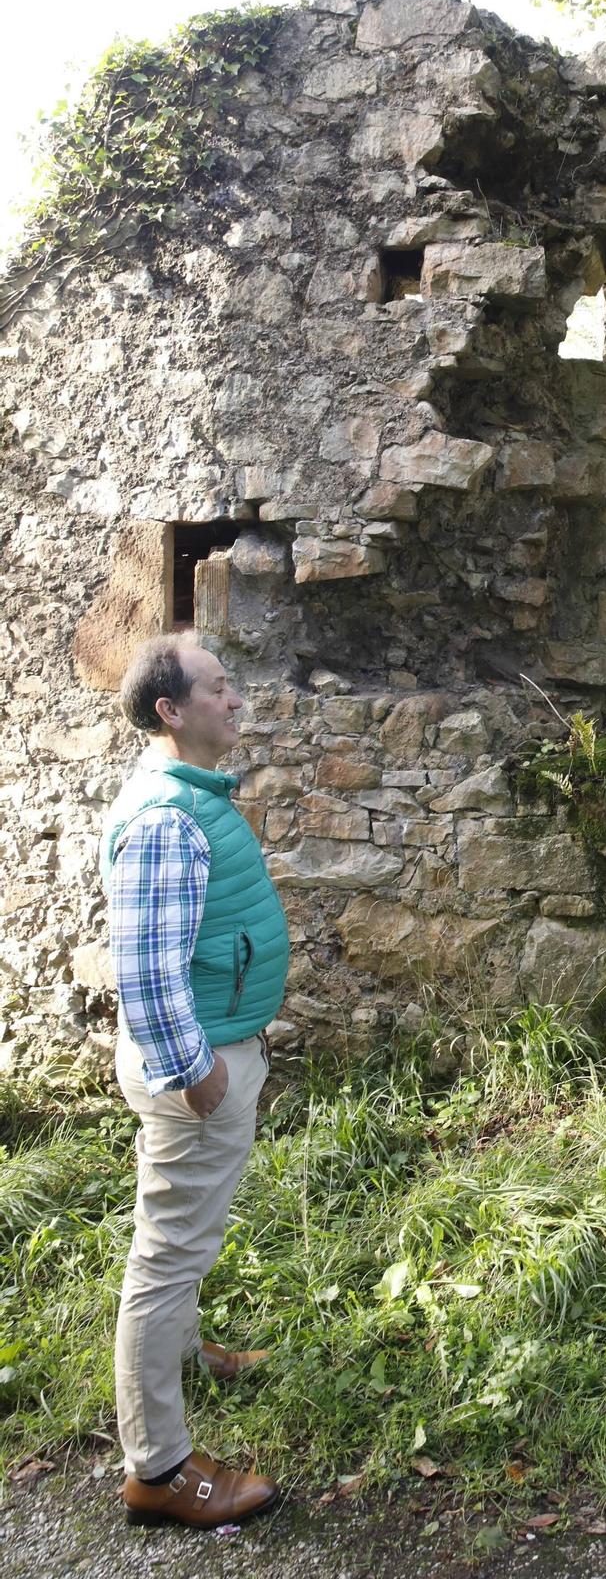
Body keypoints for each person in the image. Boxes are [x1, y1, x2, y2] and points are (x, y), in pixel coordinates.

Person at [101, 634, 290, 1527]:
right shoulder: (167, 818)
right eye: (218, 689)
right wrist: (196, 1071)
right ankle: (160, 1469)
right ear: (171, 711)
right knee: (167, 1254)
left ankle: (179, 1356)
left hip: (209, 1053)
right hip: (195, 1071)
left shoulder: (187, 797)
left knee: (181, 1240)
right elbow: (143, 971)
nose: (236, 699)